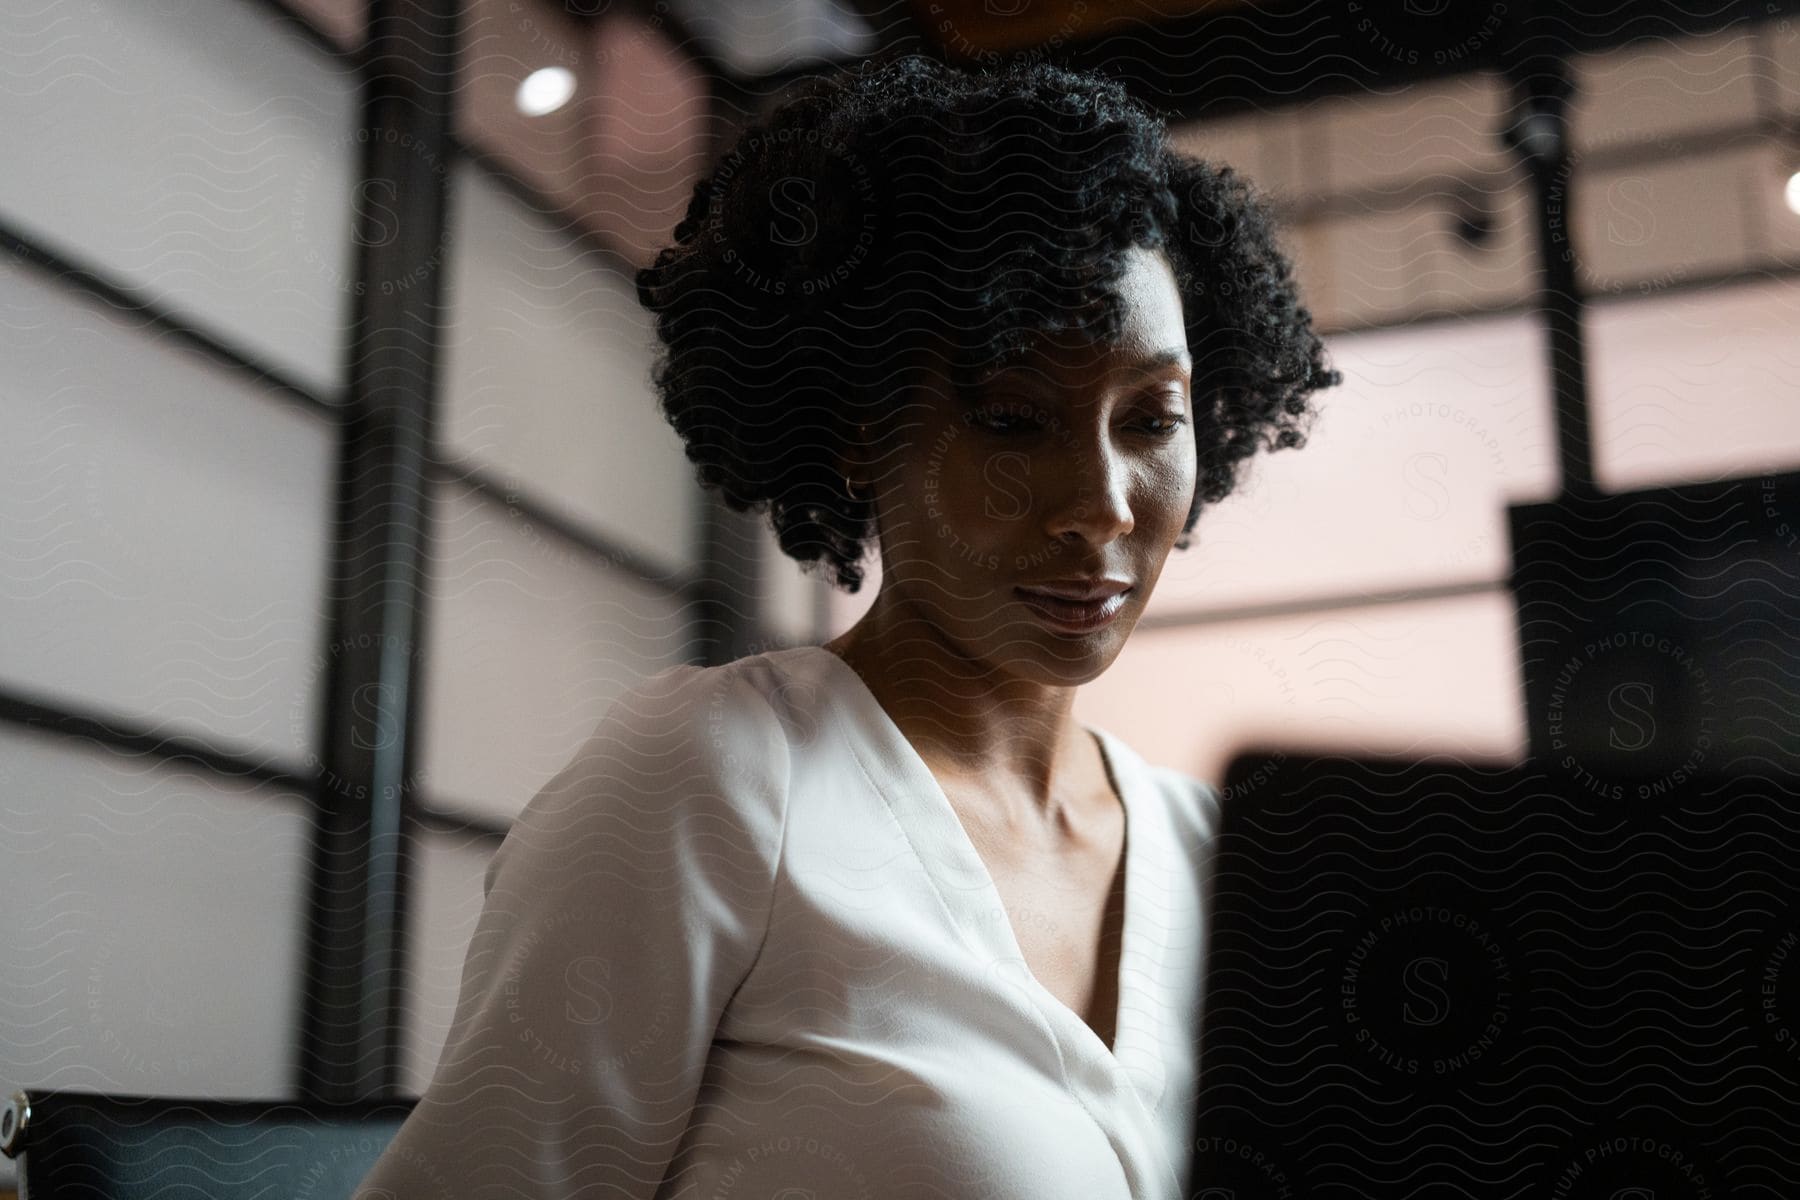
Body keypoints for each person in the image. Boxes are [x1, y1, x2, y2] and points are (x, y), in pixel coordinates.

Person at [356, 51, 1340, 1200]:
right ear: (856, 430)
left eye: (1150, 417)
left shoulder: (1219, 851)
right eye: (1014, 418)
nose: (1103, 504)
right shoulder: (718, 780)